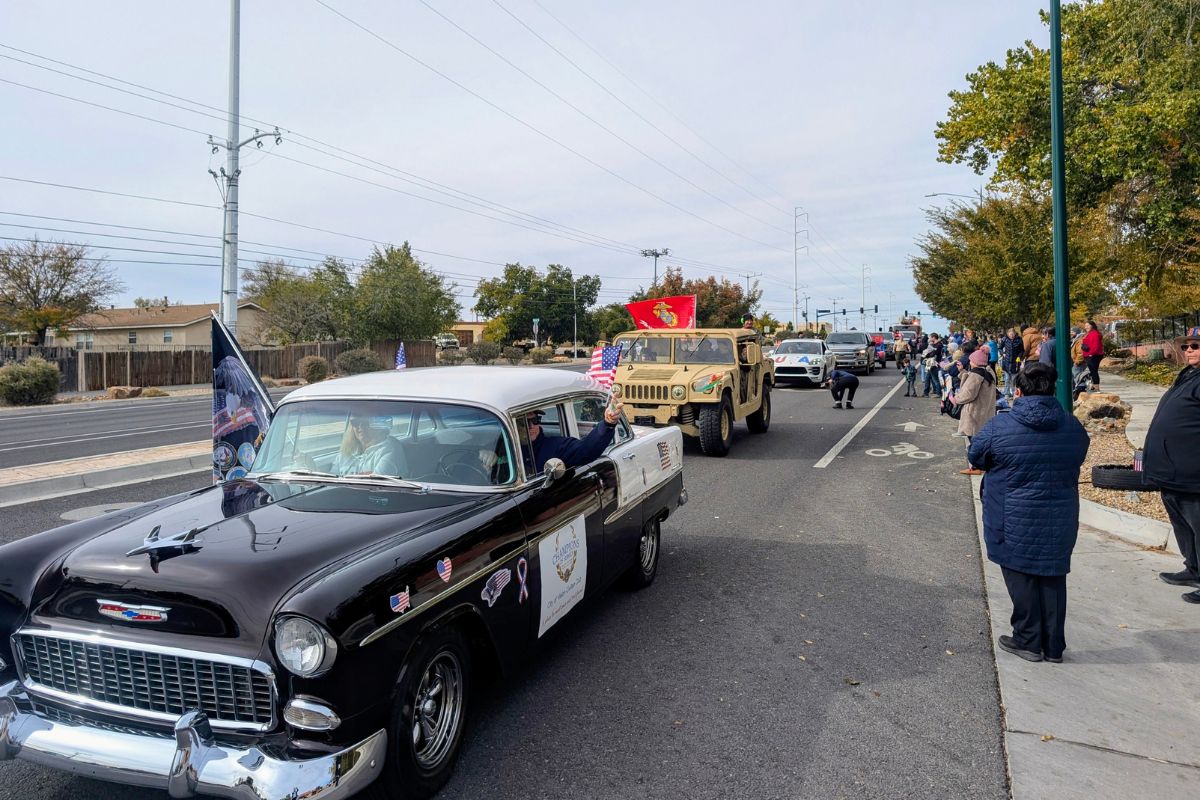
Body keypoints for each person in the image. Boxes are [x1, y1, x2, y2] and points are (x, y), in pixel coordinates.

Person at [968, 363, 1090, 662]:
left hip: (1012, 515)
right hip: (1060, 515)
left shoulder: (1000, 426)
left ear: (1018, 392)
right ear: (1052, 390)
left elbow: (976, 456)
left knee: (1020, 574)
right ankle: (1053, 645)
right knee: (1052, 575)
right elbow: (1080, 454)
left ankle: (1028, 639)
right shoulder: (1072, 426)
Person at [1144, 326, 1200, 603]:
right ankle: (1194, 568)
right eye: (1185, 346)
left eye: (1195, 346)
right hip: (1172, 471)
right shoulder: (1189, 375)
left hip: (1192, 473)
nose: (1188, 350)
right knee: (1184, 526)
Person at [524, 400, 624, 472]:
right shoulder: (513, 451)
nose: (531, 426)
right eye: (523, 422)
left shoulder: (554, 446)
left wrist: (607, 424)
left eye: (535, 420)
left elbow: (585, 449)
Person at [953, 349, 998, 474]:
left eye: (971, 360)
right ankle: (980, 465)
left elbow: (968, 394)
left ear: (975, 362)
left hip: (974, 412)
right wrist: (963, 372)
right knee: (981, 440)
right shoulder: (989, 373)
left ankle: (976, 467)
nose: (970, 362)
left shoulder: (975, 375)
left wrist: (956, 398)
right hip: (986, 411)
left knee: (974, 441)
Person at [334, 414, 407, 476]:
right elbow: (332, 477)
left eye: (366, 422)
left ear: (379, 424)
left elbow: (377, 482)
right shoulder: (346, 450)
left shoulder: (390, 448)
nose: (361, 426)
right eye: (355, 422)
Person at [999, 328, 1024, 400]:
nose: (1012, 336)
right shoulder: (1004, 339)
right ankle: (1006, 393)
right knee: (1007, 379)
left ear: (1015, 334)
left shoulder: (1019, 340)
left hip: (1015, 362)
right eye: (1010, 334)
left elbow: (1022, 350)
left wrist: (1019, 357)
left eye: (1013, 334)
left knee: (1014, 379)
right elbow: (1000, 348)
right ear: (1008, 334)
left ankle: (1013, 393)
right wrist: (1002, 353)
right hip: (1006, 362)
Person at [1080, 319, 1104, 391]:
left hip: (1093, 355)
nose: (1086, 327)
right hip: (1091, 355)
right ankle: (1094, 386)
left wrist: (1091, 354)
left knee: (1094, 371)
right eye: (1085, 326)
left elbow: (1096, 346)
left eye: (1088, 325)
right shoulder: (1091, 333)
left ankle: (1096, 387)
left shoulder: (1095, 334)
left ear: (1092, 326)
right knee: (1093, 371)